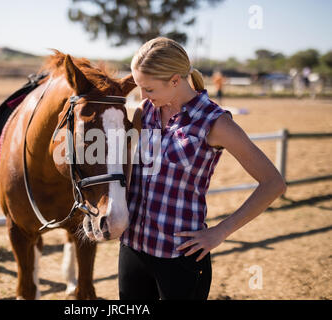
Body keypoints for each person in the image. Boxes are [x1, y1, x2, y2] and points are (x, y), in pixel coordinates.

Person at [119, 37, 286, 300]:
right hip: (132, 248)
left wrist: (220, 232)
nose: (143, 96)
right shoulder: (144, 111)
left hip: (179, 257)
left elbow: (273, 183)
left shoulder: (215, 122)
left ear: (175, 81)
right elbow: (129, 170)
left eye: (148, 88)